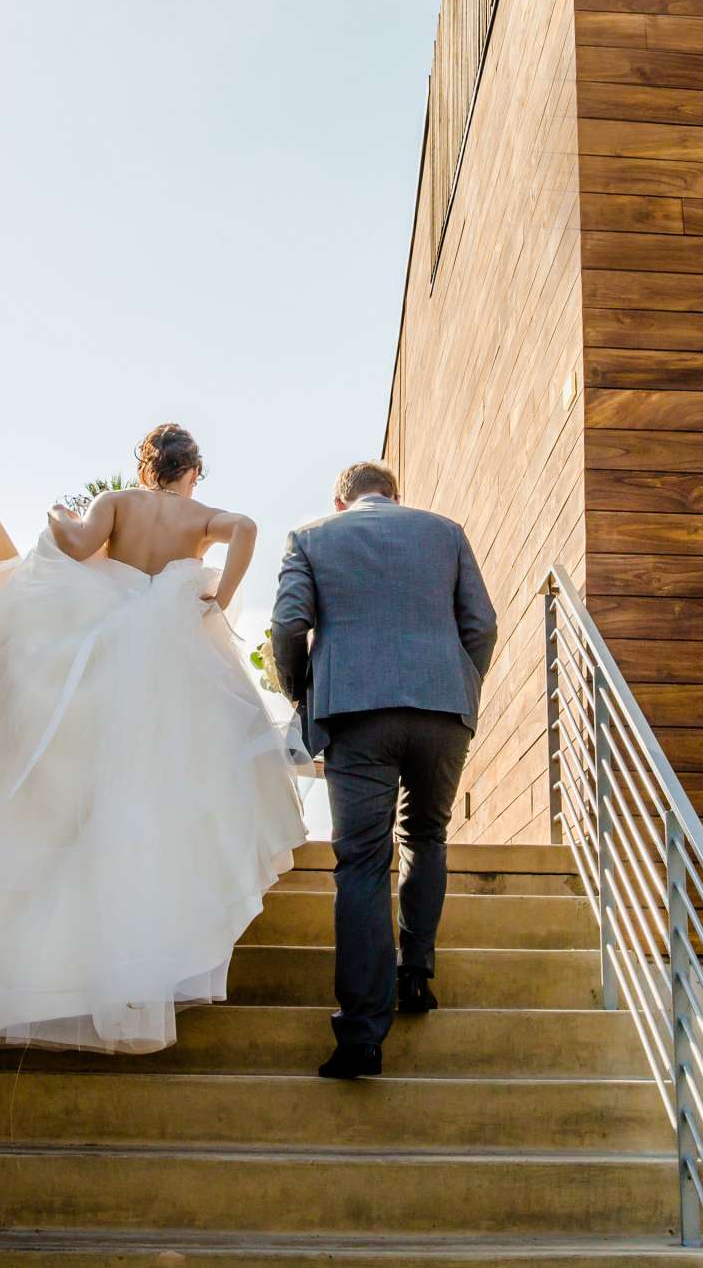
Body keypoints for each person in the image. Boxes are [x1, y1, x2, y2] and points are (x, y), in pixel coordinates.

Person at [0, 423, 306, 1053]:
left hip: (107, 652)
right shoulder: (202, 515)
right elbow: (248, 530)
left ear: (147, 466)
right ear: (193, 471)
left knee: (76, 787)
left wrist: (55, 512)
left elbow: (74, 546)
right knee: (157, 790)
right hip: (167, 661)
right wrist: (218, 596)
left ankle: (43, 960)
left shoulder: (120, 503)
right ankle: (145, 952)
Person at [268, 460, 497, 1079]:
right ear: (396, 497)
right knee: (425, 835)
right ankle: (416, 974)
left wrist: (302, 695)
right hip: (443, 711)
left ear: (340, 501)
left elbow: (288, 625)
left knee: (362, 863)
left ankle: (362, 1038)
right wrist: (459, 685)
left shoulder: (312, 537)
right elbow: (482, 625)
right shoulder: (444, 531)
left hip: (355, 713)